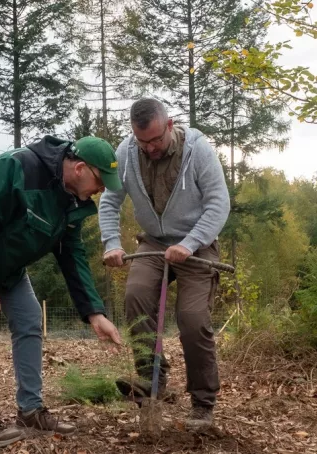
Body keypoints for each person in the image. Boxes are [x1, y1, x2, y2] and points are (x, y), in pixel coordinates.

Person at [0, 135, 123, 449]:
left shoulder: (72, 200)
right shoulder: (18, 167)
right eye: (100, 181)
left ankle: (30, 411)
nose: (101, 190)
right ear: (80, 169)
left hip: (6, 259)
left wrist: (94, 313)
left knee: (30, 319)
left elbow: (71, 255)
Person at [99, 98, 230, 431]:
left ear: (170, 125)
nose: (150, 147)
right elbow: (110, 201)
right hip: (154, 244)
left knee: (192, 319)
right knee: (136, 296)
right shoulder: (127, 153)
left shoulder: (198, 150)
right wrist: (112, 243)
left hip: (197, 244)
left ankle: (202, 403)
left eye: (156, 139)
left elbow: (218, 203)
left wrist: (189, 243)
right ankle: (151, 380)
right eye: (142, 141)